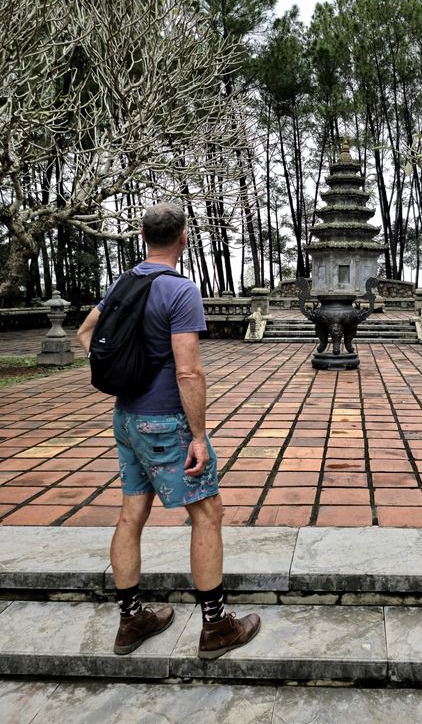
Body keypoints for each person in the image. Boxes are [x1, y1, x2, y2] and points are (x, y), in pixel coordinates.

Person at [77, 203, 260, 659]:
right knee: (206, 513)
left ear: (142, 235)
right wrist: (197, 435)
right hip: (165, 423)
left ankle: (132, 618)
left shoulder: (123, 282)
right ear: (183, 238)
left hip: (125, 420)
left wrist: (124, 374)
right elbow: (189, 373)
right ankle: (217, 627)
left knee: (131, 515)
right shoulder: (180, 290)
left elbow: (86, 334)